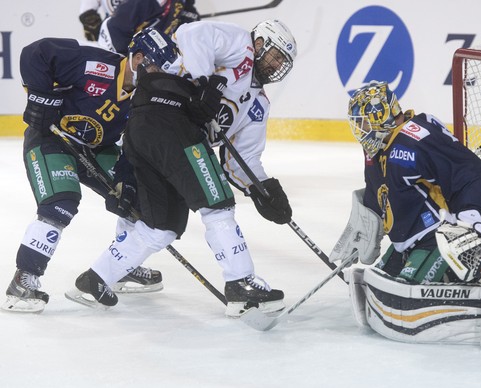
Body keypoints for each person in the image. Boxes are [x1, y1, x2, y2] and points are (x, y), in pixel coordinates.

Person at [66, 19, 297, 318]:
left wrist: (262, 188)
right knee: (218, 203)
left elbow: (243, 158)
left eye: (282, 61)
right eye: (275, 54)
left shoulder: (259, 105)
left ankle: (94, 280)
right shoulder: (241, 45)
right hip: (166, 117)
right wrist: (202, 84)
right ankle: (241, 284)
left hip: (160, 132)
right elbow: (192, 33)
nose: (276, 63)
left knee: (162, 225)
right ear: (261, 42)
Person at [329, 81, 481, 349]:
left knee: (407, 293)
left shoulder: (416, 139)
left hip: (446, 239)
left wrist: (478, 222)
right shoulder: (376, 150)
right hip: (408, 244)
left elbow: (475, 175)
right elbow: (380, 195)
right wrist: (365, 225)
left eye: (363, 123)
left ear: (381, 117)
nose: (359, 130)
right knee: (380, 285)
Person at [1, 28, 179, 313]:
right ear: (138, 58)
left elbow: (134, 145)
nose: (159, 77)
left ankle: (122, 265)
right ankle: (24, 280)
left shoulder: (146, 97)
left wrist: (126, 180)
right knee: (61, 205)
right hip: (52, 138)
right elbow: (36, 53)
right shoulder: (97, 65)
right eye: (155, 68)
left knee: (139, 198)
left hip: (99, 148)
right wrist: (40, 98)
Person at [97, 0, 201, 55]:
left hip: (146, 53)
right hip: (114, 50)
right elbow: (113, 28)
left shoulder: (182, 3)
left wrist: (191, 18)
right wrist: (131, 58)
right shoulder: (142, 3)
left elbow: (186, 12)